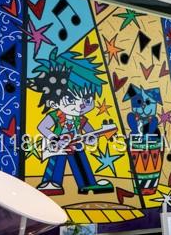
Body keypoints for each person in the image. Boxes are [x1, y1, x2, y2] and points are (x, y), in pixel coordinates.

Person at [30, 51, 117, 195]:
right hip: (58, 144)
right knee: (57, 161)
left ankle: (88, 184)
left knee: (81, 161)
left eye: (87, 98)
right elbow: (42, 126)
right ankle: (51, 184)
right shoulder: (57, 115)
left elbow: (90, 133)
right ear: (54, 101)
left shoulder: (80, 119)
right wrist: (54, 138)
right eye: (71, 99)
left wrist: (92, 137)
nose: (81, 105)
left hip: (76, 144)